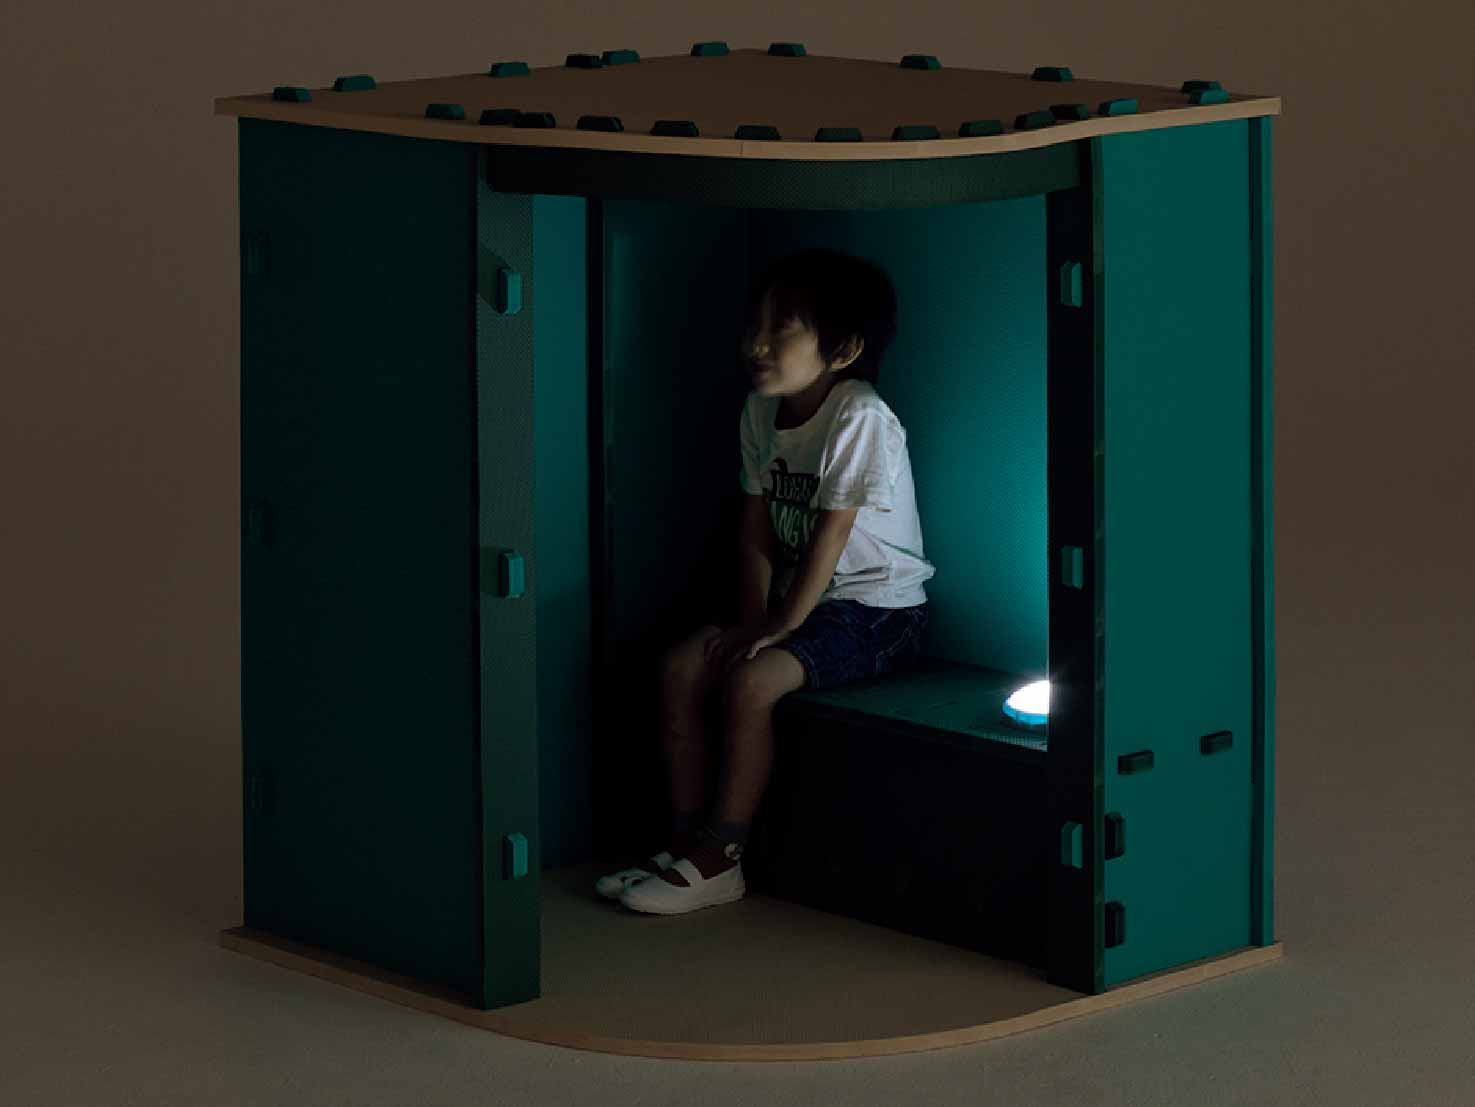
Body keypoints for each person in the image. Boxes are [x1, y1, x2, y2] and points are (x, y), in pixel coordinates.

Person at [596, 247, 936, 915]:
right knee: (681, 666)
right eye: (755, 324)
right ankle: (684, 841)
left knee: (752, 682)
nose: (756, 343)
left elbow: (830, 536)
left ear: (843, 349)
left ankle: (722, 855)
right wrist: (754, 618)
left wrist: (777, 629)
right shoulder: (760, 410)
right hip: (795, 602)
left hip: (876, 610)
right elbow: (753, 527)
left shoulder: (859, 414)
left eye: (781, 329)